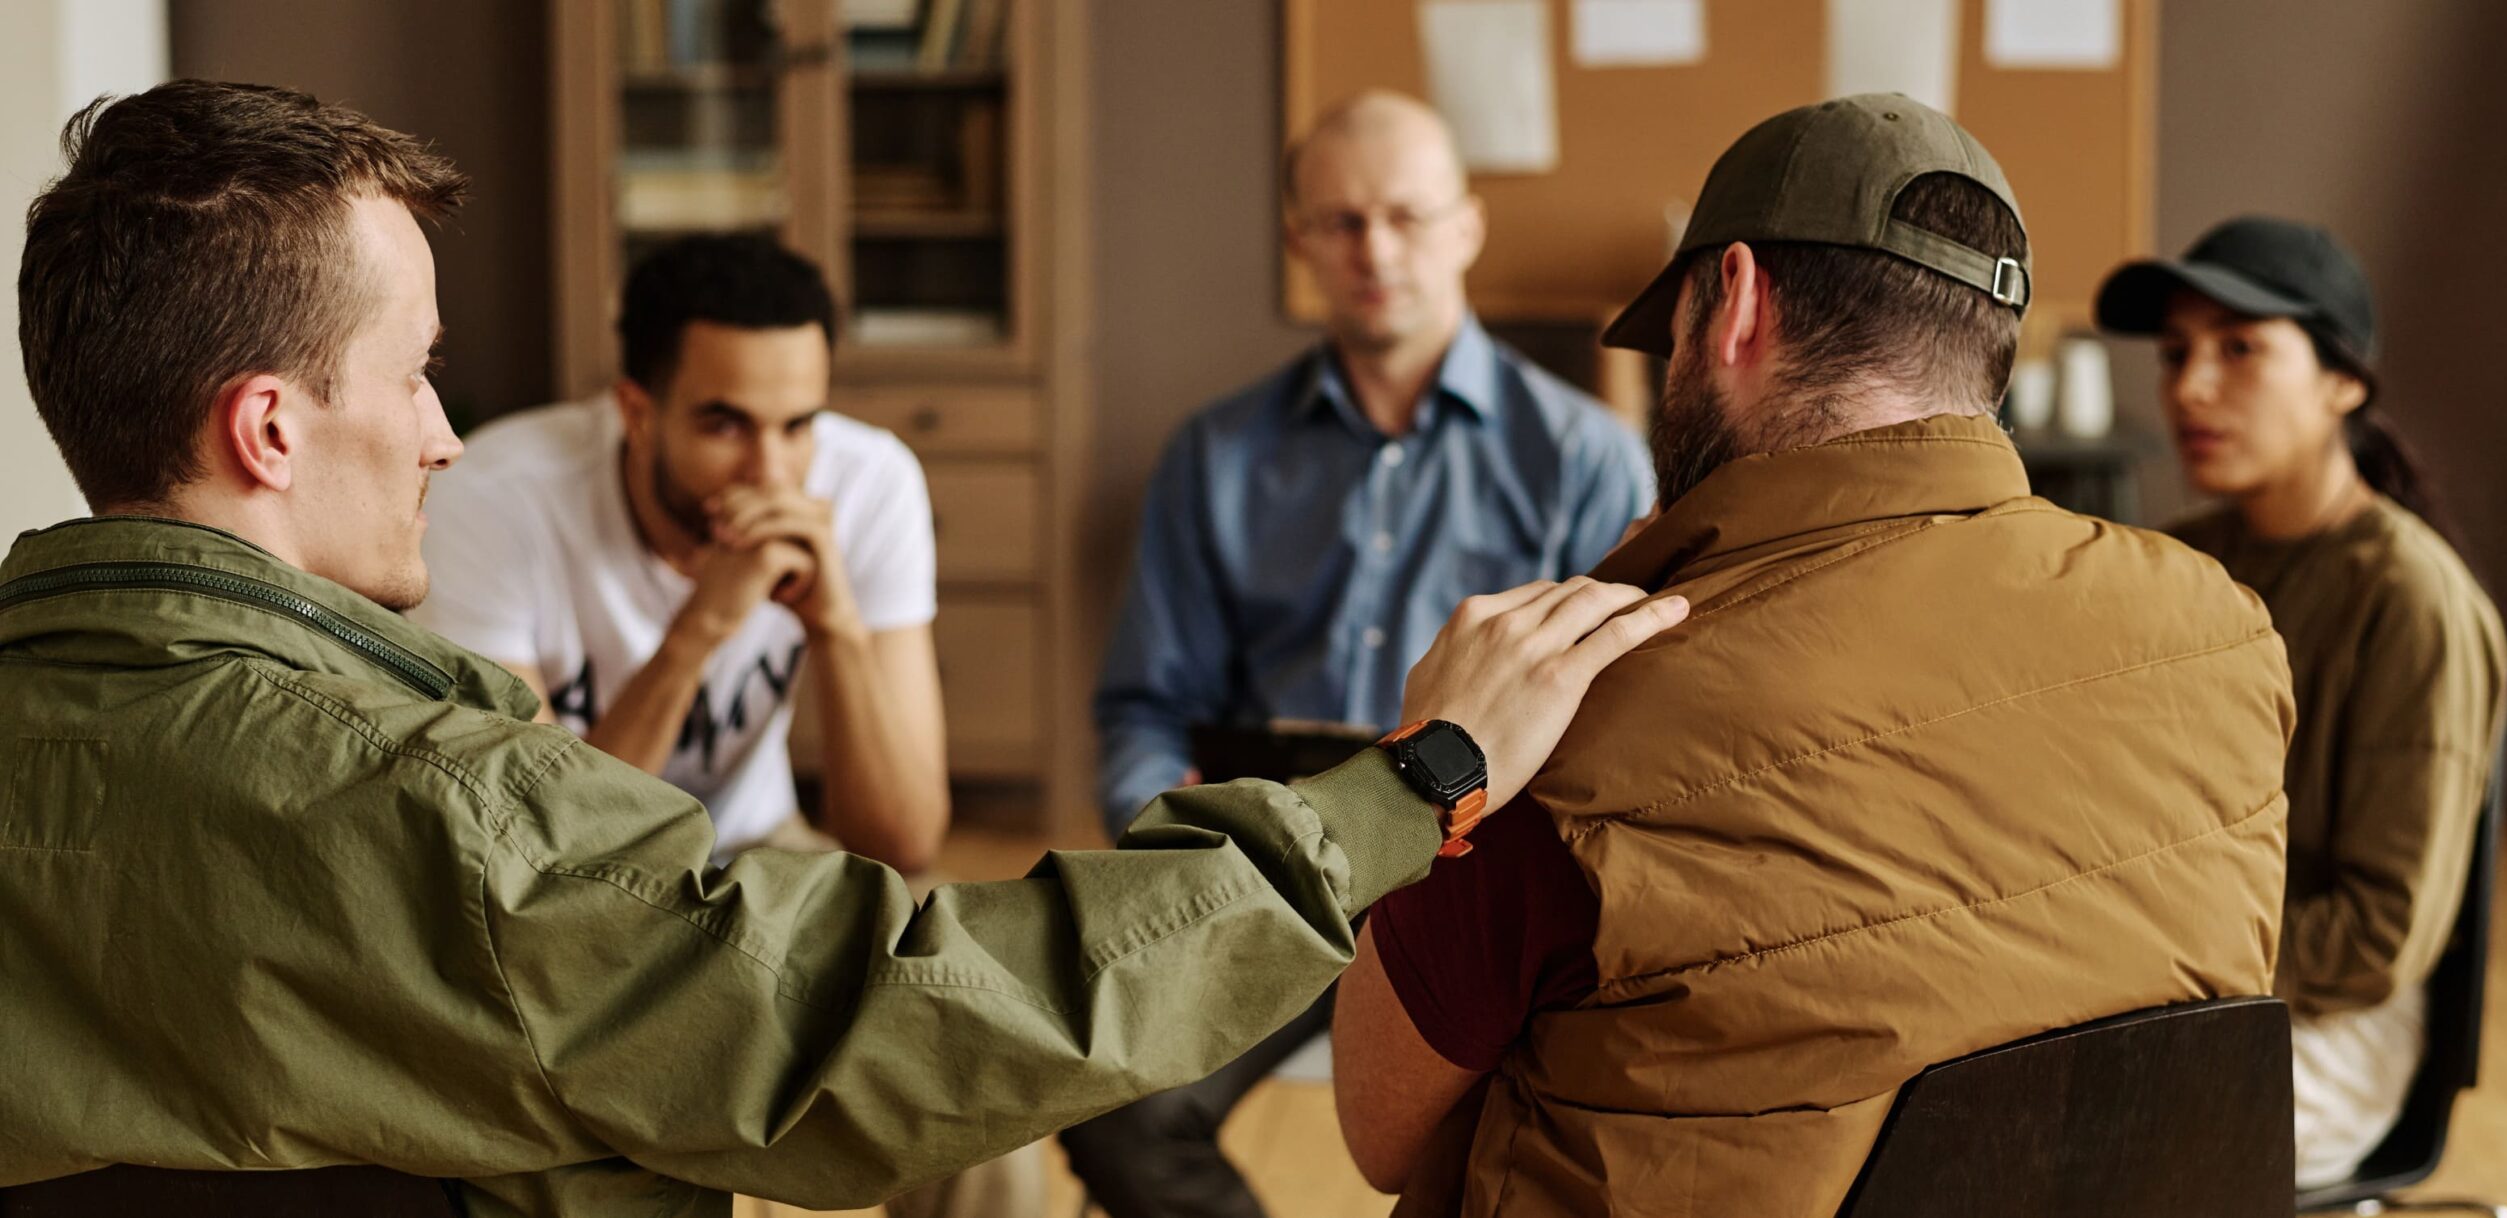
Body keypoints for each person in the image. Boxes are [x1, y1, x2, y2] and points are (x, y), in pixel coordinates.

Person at [0, 80, 1686, 1217]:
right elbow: (908, 998)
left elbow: (885, 839)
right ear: (270, 428)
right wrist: (1420, 782)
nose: (443, 428)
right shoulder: (431, 801)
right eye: (416, 371)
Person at [1327, 94, 2299, 1217]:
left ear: (1734, 302)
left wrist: (1432, 763)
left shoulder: (1571, 724)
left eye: (1677, 332)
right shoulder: (2225, 633)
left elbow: (1378, 1127)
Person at [1071, 90, 1652, 1217]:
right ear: (1299, 244)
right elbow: (1144, 703)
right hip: (1265, 880)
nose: (1374, 249)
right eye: (1339, 223)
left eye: (1405, 215)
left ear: (1467, 226)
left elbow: (1618, 737)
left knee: (1513, 1142)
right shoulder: (1215, 456)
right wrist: (1167, 834)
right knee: (1112, 1108)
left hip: (1479, 884)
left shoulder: (1587, 459)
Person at [2094, 217, 2507, 1187]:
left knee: (2071, 1141)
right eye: (2175, 354)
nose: (2189, 387)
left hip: (2331, 1017)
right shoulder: (2185, 561)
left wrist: (2152, 949)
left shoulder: (2411, 601)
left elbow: (2376, 940)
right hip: (2183, 975)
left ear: (2342, 381)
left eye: (2239, 348)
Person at [413, 235, 947, 870]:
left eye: (798, 425)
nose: (771, 474)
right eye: (725, 425)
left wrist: (837, 630)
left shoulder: (871, 481)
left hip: (759, 846)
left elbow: (906, 844)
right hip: (571, 882)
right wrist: (700, 629)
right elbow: (552, 841)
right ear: (637, 414)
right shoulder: (491, 500)